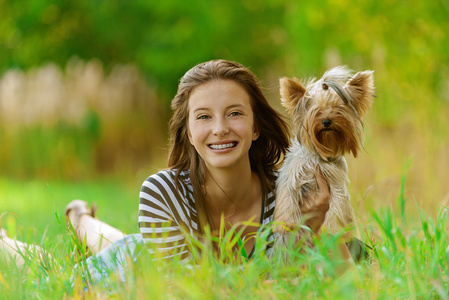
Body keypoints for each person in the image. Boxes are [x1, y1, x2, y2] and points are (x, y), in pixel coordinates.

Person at [0, 59, 337, 279]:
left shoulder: (290, 193)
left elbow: (298, 282)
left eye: (235, 113)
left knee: (126, 242)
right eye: (203, 117)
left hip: (145, 248)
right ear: (189, 131)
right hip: (135, 272)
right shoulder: (162, 191)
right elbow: (190, 290)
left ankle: (80, 216)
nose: (220, 128)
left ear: (256, 127)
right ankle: (57, 225)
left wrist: (306, 226)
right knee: (57, 270)